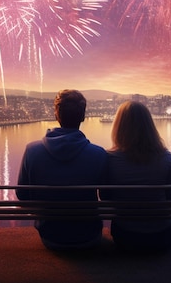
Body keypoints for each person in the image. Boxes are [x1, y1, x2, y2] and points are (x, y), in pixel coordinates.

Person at [16, 89, 107, 250]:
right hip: (89, 235)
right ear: (83, 116)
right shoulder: (98, 154)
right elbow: (107, 196)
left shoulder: (32, 151)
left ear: (56, 115)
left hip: (50, 236)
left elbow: (22, 194)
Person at [102, 100, 171, 252]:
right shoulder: (166, 158)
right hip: (163, 236)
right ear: (149, 126)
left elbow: (105, 197)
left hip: (126, 236)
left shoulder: (108, 159)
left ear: (119, 126)